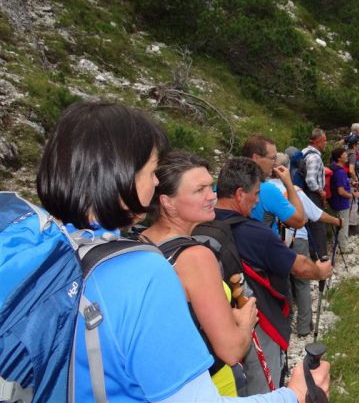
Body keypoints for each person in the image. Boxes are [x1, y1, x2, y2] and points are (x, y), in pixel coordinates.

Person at [36, 101, 328, 403]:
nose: (154, 181)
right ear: (119, 174)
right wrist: (294, 395)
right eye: (150, 171)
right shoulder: (142, 271)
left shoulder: (53, 246)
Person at [208, 157, 333, 396]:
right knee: (264, 387)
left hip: (214, 321)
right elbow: (299, 266)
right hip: (258, 321)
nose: (257, 200)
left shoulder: (200, 223)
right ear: (239, 194)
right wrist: (321, 271)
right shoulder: (255, 232)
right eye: (255, 194)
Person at [141, 151, 257, 397]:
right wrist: (245, 322)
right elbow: (231, 350)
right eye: (199, 190)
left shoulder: (138, 243)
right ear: (167, 202)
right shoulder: (195, 257)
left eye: (211, 187)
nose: (212, 196)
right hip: (209, 383)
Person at [272, 153, 343, 337]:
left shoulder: (262, 189)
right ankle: (304, 327)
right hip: (297, 240)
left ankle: (284, 326)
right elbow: (317, 214)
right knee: (302, 283)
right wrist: (337, 222)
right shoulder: (294, 190)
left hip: (274, 242)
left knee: (282, 283)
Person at [242, 135, 305, 233]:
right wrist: (289, 183)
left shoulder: (225, 183)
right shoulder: (267, 190)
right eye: (273, 158)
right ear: (256, 158)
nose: (274, 163)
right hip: (265, 246)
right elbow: (299, 221)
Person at [302, 129, 329, 258]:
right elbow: (310, 180)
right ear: (318, 141)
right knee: (318, 225)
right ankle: (321, 256)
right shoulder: (315, 157)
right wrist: (320, 191)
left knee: (309, 225)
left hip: (303, 194)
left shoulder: (304, 152)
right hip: (313, 195)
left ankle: (312, 254)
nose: (326, 144)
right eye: (324, 141)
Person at [328, 148, 358, 254]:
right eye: (345, 154)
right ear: (340, 157)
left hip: (332, 201)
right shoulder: (340, 172)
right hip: (341, 202)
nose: (347, 156)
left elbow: (339, 184)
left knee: (335, 223)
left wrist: (350, 183)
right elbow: (340, 191)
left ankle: (335, 244)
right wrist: (352, 195)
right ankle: (343, 248)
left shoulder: (332, 167)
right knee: (343, 224)